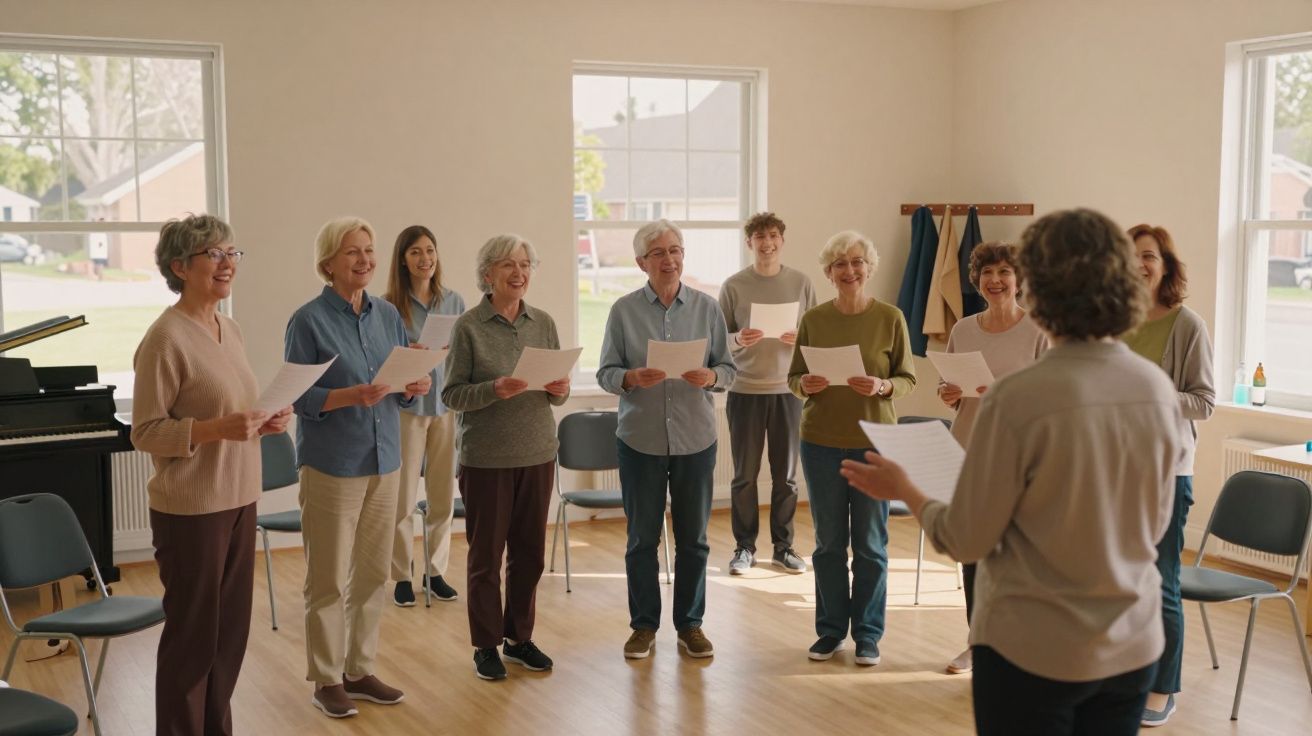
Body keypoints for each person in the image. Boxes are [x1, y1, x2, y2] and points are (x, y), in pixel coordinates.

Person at [841, 208, 1182, 736]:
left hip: (1034, 648)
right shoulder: (1155, 389)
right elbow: (1156, 529)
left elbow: (967, 539)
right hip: (1132, 643)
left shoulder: (1018, 397)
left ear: (1036, 288)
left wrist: (904, 486)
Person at [131, 215, 292, 735]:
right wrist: (216, 428)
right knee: (193, 641)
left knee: (228, 638)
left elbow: (231, 414)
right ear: (180, 266)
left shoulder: (230, 327)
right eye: (214, 254)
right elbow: (147, 432)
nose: (228, 263)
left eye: (232, 253)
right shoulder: (165, 339)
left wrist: (263, 423)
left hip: (241, 497)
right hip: (191, 509)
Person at [285, 217, 431, 719]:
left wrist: (413, 386)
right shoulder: (307, 320)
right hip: (332, 464)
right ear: (328, 263)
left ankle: (359, 669)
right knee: (327, 577)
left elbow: (397, 383)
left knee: (372, 574)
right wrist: (353, 395)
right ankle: (326, 678)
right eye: (353, 252)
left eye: (369, 250)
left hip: (385, 457)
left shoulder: (388, 314)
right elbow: (299, 397)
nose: (365, 260)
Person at [597, 219, 736, 660]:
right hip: (641, 440)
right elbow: (605, 373)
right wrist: (630, 378)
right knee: (642, 538)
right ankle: (643, 627)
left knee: (694, 539)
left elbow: (729, 370)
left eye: (675, 250)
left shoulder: (708, 308)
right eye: (658, 253)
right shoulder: (622, 311)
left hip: (697, 439)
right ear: (641, 262)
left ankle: (690, 625)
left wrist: (712, 375)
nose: (669, 259)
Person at [442, 234, 569, 681]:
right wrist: (493, 390)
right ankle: (485, 645)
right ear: (487, 275)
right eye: (509, 265)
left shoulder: (544, 323)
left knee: (530, 555)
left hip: (538, 453)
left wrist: (560, 389)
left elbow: (557, 391)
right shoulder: (469, 327)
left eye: (526, 265)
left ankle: (519, 639)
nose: (520, 273)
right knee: (486, 558)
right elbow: (452, 394)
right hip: (487, 459)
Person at [786, 230, 915, 667]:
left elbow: (908, 380)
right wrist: (804, 383)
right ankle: (829, 632)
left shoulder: (891, 317)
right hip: (820, 440)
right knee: (827, 543)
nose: (849, 270)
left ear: (869, 267)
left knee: (871, 544)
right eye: (840, 264)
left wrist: (882, 385)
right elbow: (794, 378)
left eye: (857, 262)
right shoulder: (815, 319)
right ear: (828, 272)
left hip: (876, 443)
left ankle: (868, 635)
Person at [936, 242, 1048, 675]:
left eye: (1005, 272)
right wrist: (948, 394)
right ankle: (978, 644)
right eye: (988, 273)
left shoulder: (1039, 330)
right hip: (968, 452)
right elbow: (954, 394)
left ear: (1019, 279)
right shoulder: (963, 330)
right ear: (976, 280)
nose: (996, 281)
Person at [1123, 223, 1215, 728]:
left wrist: (1151, 397)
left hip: (1165, 473)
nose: (1140, 264)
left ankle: (1162, 687)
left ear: (1165, 265)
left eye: (1149, 255)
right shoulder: (1113, 323)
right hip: (1114, 472)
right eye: (1131, 256)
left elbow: (1204, 401)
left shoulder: (1187, 325)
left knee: (1161, 584)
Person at [719, 212, 815, 575]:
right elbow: (720, 341)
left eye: (773, 235)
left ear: (782, 240)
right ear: (750, 243)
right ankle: (744, 547)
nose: (767, 242)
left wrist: (800, 338)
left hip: (788, 390)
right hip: (744, 389)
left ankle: (783, 547)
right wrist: (738, 339)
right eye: (760, 237)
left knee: (786, 476)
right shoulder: (734, 286)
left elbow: (815, 335)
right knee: (744, 474)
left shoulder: (801, 283)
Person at [384, 225, 467, 607]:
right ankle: (401, 574)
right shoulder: (387, 307)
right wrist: (410, 353)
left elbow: (464, 354)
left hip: (445, 408)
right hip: (407, 410)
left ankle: (435, 572)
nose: (425, 259)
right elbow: (381, 364)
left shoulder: (454, 302)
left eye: (430, 250)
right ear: (403, 259)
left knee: (441, 496)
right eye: (416, 252)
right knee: (402, 500)